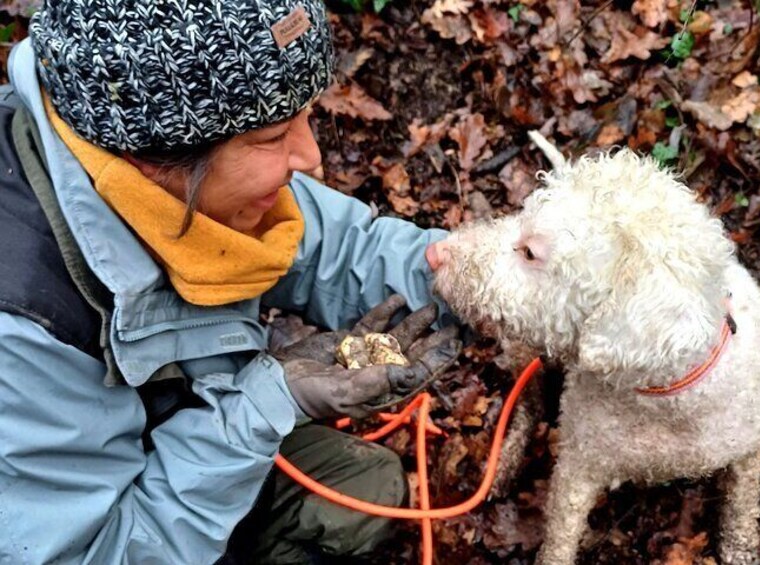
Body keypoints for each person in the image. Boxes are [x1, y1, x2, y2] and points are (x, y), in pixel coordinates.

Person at [0, 1, 461, 563]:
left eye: (306, 115)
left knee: (365, 489)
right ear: (148, 156)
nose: (311, 155)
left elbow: (329, 246)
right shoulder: (23, 332)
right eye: (273, 137)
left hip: (189, 448)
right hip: (131, 527)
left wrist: (480, 279)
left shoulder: (150, 166)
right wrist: (265, 406)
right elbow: (97, 552)